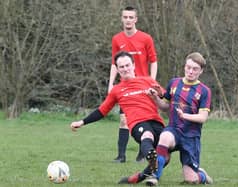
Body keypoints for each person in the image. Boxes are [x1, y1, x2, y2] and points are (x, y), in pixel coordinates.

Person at [118, 52, 213, 185]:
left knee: (191, 180)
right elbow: (165, 107)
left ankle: (201, 175)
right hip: (174, 129)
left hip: (191, 136)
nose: (190, 71)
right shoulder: (174, 83)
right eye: (188, 67)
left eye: (195, 69)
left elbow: (203, 117)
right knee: (164, 137)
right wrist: (155, 98)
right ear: (184, 66)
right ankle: (154, 177)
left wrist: (184, 115)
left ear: (201, 71)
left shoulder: (204, 91)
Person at [70, 51, 163, 174]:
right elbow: (102, 111)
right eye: (121, 67)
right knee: (147, 135)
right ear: (118, 70)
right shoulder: (117, 90)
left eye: (127, 65)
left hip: (156, 121)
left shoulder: (148, 81)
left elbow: (166, 97)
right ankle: (151, 160)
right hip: (138, 124)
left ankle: (186, 168)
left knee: (169, 143)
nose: (125, 69)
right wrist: (82, 122)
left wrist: (159, 94)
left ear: (134, 65)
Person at [108, 6, 158, 163]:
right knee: (124, 119)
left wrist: (152, 82)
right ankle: (121, 156)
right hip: (127, 88)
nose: (128, 20)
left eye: (131, 17)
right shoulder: (117, 39)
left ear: (136, 19)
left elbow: (154, 61)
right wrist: (110, 84)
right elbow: (114, 64)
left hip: (144, 87)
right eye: (125, 17)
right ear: (121, 19)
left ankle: (143, 153)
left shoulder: (146, 38)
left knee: (145, 120)